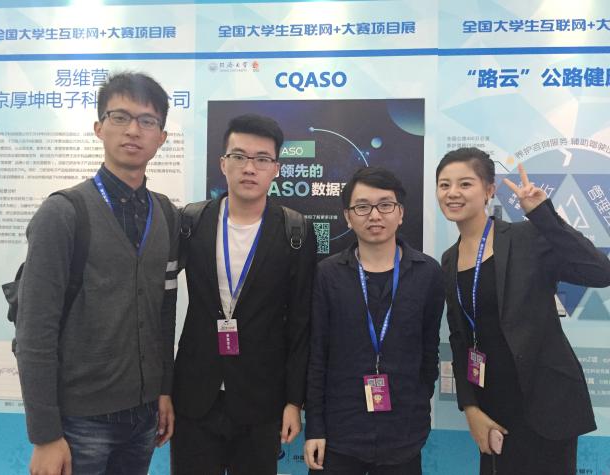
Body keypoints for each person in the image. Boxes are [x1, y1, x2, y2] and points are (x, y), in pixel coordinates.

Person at [16, 72, 179, 475]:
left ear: (161, 137)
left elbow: (164, 312)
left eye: (147, 121)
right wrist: (45, 435)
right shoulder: (63, 213)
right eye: (120, 117)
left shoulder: (166, 214)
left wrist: (163, 389)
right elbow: (34, 331)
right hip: (79, 422)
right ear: (99, 127)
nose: (133, 130)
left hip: (143, 417)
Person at [435, 147, 610, 475]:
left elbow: (600, 273)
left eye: (465, 183)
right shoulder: (449, 259)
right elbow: (460, 338)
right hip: (493, 407)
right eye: (444, 185)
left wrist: (543, 215)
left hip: (547, 403)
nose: (452, 193)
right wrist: (470, 406)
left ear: (489, 190)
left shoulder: (526, 236)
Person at [171, 113, 317, 475]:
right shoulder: (191, 222)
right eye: (239, 156)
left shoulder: (295, 231)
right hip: (194, 396)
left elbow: (301, 323)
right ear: (223, 164)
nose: (249, 168)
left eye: (262, 159)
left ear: (276, 169)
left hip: (261, 399)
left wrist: (293, 401)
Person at [304, 166, 444, 475]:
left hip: (404, 433)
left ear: (401, 213)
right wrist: (315, 427)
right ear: (348, 216)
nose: (375, 215)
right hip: (339, 434)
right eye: (363, 207)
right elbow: (317, 355)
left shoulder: (428, 273)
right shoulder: (327, 274)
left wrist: (418, 402)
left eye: (385, 205)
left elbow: (429, 349)